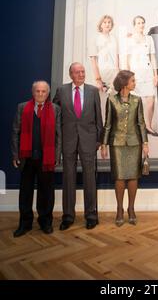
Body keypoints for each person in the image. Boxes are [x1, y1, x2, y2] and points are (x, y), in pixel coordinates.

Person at [53, 62, 103, 230]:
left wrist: (99, 140)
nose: (81, 74)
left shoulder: (93, 91)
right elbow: (54, 114)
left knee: (90, 178)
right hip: (68, 140)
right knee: (68, 178)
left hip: (89, 140)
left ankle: (91, 215)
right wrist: (57, 136)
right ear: (71, 75)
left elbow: (98, 118)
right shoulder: (61, 91)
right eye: (77, 72)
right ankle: (68, 216)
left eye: (83, 71)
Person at [11, 81, 61, 237]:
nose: (40, 94)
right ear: (32, 92)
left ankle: (45, 222)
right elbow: (15, 132)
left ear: (48, 93)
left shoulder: (55, 109)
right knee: (25, 192)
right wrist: (15, 155)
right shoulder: (22, 107)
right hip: (26, 157)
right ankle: (24, 224)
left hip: (47, 158)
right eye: (37, 91)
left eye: (44, 91)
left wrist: (57, 156)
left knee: (46, 192)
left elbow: (59, 135)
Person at [101, 70, 149, 226]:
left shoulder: (137, 100)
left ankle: (131, 209)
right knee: (120, 177)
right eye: (133, 81)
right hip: (117, 144)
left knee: (133, 177)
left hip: (134, 143)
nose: (135, 83)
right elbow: (107, 124)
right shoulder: (111, 100)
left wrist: (145, 143)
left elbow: (141, 123)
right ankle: (119, 209)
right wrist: (104, 144)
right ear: (124, 84)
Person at [127, 15, 158, 136]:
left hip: (148, 73)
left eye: (142, 23)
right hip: (135, 75)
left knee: (151, 101)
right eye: (138, 23)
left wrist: (156, 75)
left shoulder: (149, 39)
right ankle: (135, 128)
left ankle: (148, 127)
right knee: (135, 103)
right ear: (134, 25)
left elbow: (152, 57)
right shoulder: (129, 40)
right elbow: (127, 59)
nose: (141, 25)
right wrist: (128, 77)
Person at [89, 15, 119, 94]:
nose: (107, 24)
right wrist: (98, 79)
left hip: (113, 73)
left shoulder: (114, 38)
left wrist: (117, 72)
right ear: (101, 25)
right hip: (101, 72)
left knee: (114, 101)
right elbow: (93, 60)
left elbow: (117, 56)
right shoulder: (96, 38)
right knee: (101, 99)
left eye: (109, 22)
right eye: (105, 22)